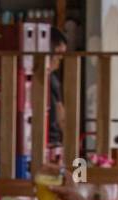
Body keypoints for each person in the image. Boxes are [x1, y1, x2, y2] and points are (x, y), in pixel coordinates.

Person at [47, 28, 68, 163]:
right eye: (58, 53)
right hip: (51, 140)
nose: (60, 59)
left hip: (53, 141)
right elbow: (61, 116)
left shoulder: (52, 79)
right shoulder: (50, 79)